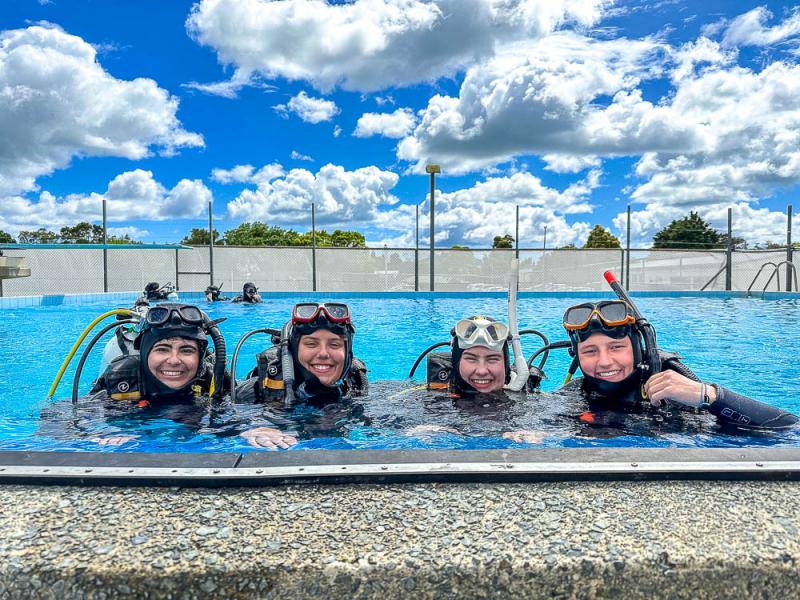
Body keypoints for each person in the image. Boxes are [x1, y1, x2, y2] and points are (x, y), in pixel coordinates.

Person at [557, 299, 798, 430]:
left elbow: (788, 427)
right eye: (590, 351)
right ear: (576, 355)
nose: (604, 361)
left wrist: (709, 395)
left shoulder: (678, 389)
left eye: (616, 347)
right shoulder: (573, 396)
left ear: (639, 350)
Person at [235, 302, 368, 449]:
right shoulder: (253, 392)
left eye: (334, 344)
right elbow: (224, 420)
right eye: (311, 344)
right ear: (294, 349)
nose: (323, 354)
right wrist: (254, 427)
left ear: (348, 353)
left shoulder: (356, 386)